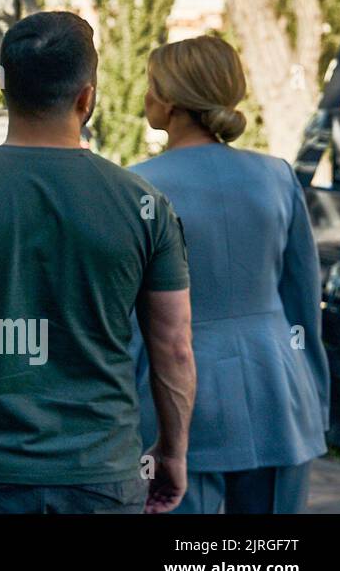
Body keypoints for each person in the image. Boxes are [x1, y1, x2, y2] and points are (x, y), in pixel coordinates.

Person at [0, 11, 195, 514]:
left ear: (6, 91)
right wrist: (173, 451)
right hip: (100, 473)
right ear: (86, 97)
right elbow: (175, 345)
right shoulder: (144, 203)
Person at [129, 35, 329, 513]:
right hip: (280, 393)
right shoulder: (278, 175)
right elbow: (303, 298)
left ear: (173, 100)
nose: (146, 97)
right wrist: (316, 399)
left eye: (152, 86)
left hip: (171, 398)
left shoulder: (136, 185)